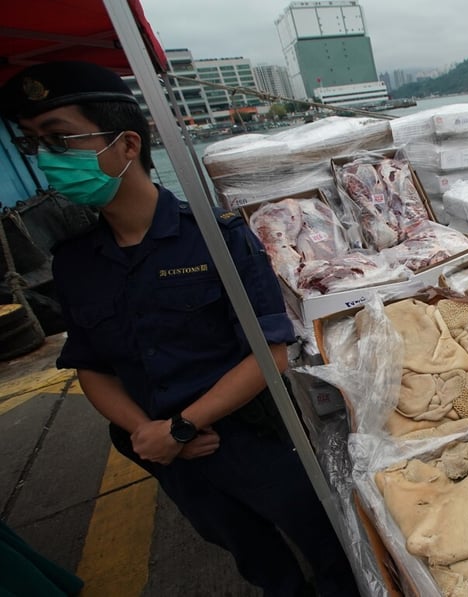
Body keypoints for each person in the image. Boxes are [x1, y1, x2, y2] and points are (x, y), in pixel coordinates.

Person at [0, 61, 358, 596]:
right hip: (161, 448)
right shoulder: (75, 263)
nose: (47, 160)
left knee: (324, 542)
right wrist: (151, 434)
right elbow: (91, 365)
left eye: (59, 140)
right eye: (33, 144)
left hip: (249, 437)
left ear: (126, 145)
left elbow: (272, 350)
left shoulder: (217, 237)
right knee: (249, 553)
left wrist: (182, 427)